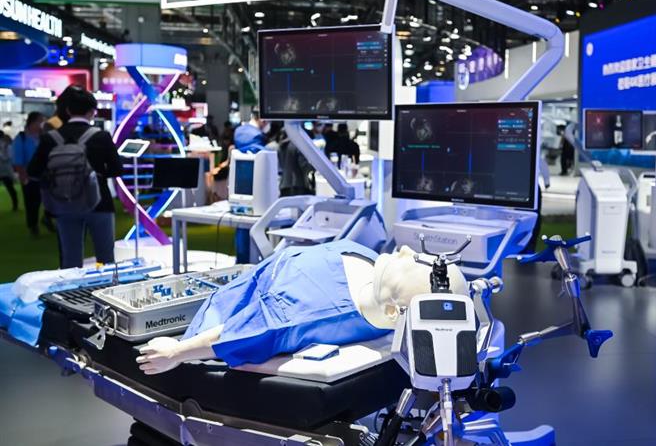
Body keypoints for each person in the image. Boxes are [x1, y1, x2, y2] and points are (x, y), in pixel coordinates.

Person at [137, 241, 468, 374]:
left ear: (395, 312)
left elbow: (235, 335)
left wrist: (176, 353)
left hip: (220, 316)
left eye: (409, 263)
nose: (405, 249)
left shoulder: (296, 315)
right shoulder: (370, 261)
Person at [27, 86, 124, 268]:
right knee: (105, 260)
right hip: (99, 203)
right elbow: (117, 169)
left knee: (70, 262)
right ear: (92, 111)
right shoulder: (101, 136)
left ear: (68, 110)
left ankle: (71, 287)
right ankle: (105, 286)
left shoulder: (51, 138)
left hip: (63, 203)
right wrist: (97, 174)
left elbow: (33, 171)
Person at [12, 112, 53, 236]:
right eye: (40, 121)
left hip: (46, 175)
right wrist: (23, 175)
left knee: (51, 200)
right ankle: (33, 225)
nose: (41, 124)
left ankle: (47, 218)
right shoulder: (22, 138)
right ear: (32, 122)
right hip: (29, 176)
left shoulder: (44, 137)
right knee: (32, 203)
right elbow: (17, 159)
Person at [0, 126, 17, 211]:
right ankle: (15, 205)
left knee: (10, 188)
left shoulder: (7, 145)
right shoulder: (6, 145)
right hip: (5, 170)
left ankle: (15, 205)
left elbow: (7, 157)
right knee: (10, 188)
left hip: (5, 170)